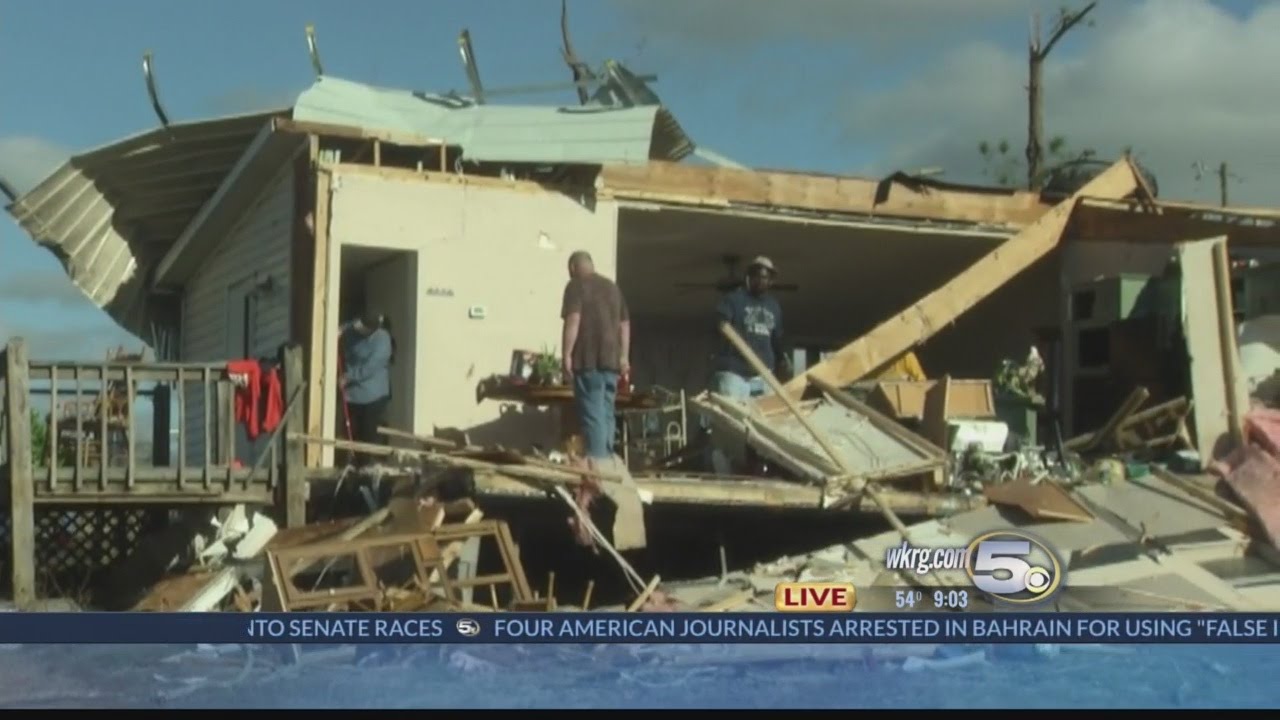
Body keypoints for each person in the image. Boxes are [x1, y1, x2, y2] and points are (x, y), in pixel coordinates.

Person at [560, 250, 630, 464]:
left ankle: (599, 465)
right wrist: (624, 357)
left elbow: (573, 319)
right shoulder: (613, 288)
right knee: (607, 413)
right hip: (612, 362)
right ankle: (608, 461)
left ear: (573, 268)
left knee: (592, 414)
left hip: (588, 359)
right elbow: (625, 325)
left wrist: (566, 355)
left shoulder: (576, 286)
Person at [711, 255, 791, 399]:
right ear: (749, 277)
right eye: (757, 276)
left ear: (771, 281)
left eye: (765, 277)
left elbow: (776, 340)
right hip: (734, 374)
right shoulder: (734, 299)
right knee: (732, 418)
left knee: (759, 418)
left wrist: (782, 360)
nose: (761, 280)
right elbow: (721, 323)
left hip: (762, 375)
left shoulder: (774, 307)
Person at [340, 309, 394, 469]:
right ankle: (352, 464)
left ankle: (369, 467)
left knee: (370, 434)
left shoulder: (383, 341)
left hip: (373, 396)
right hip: (352, 396)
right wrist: (339, 330)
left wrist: (348, 376)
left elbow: (370, 367)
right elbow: (349, 326)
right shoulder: (354, 328)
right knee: (351, 433)